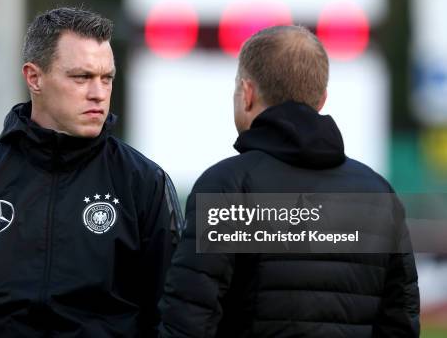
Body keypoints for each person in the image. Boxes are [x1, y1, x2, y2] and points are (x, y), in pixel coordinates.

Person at [0, 7, 183, 337]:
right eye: (81, 77)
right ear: (34, 78)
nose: (99, 93)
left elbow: (175, 313)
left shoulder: (144, 183)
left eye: (107, 78)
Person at [158, 26, 420, 337]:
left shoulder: (227, 187)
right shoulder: (379, 194)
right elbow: (400, 323)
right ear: (322, 99)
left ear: (248, 93)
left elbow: (188, 321)